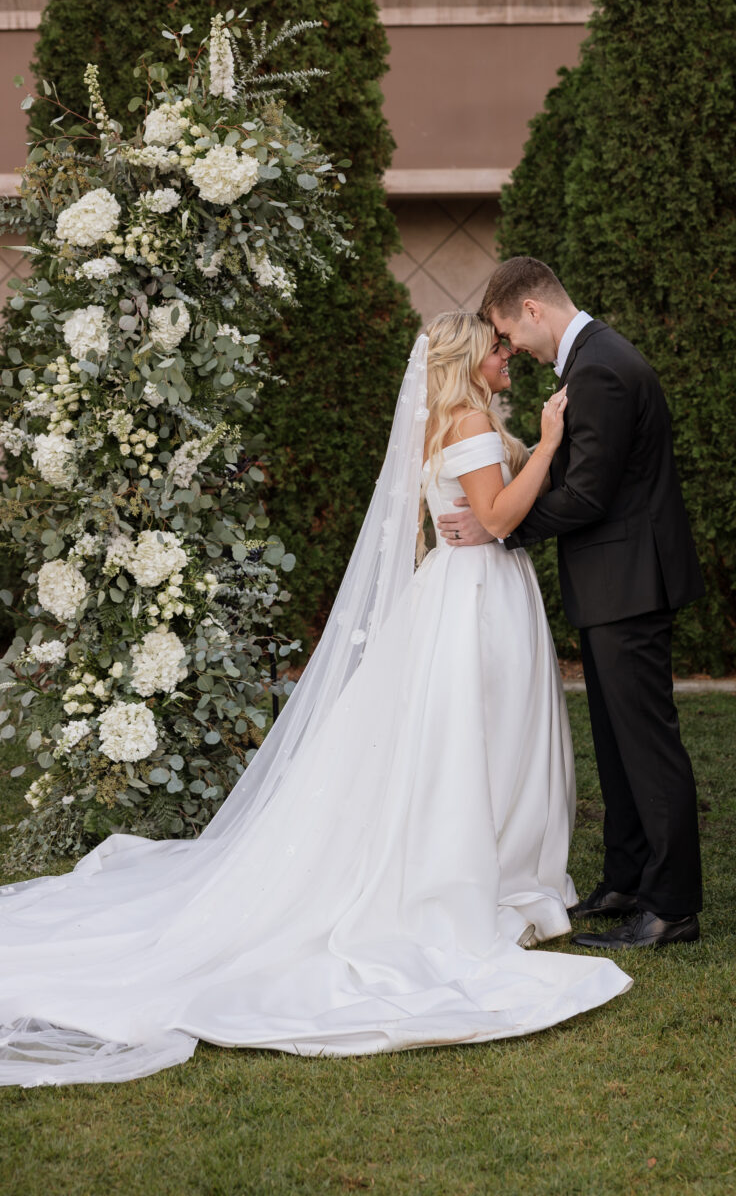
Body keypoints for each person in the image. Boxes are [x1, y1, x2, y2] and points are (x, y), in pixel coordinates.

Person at [0, 312, 630, 1088]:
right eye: (498, 349)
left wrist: (528, 453)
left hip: (472, 591)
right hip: (474, 597)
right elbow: (496, 519)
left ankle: (496, 860)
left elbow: (488, 502)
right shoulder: (467, 418)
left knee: (472, 736)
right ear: (473, 359)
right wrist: (554, 443)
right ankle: (477, 870)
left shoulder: (457, 418)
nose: (509, 356)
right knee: (474, 735)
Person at [438, 258, 704, 951]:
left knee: (646, 745)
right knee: (616, 745)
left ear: (531, 309)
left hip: (630, 583)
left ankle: (670, 906)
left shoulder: (598, 368)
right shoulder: (588, 361)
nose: (512, 351)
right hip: (612, 582)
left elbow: (587, 494)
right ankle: (626, 878)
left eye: (506, 333)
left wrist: (498, 524)